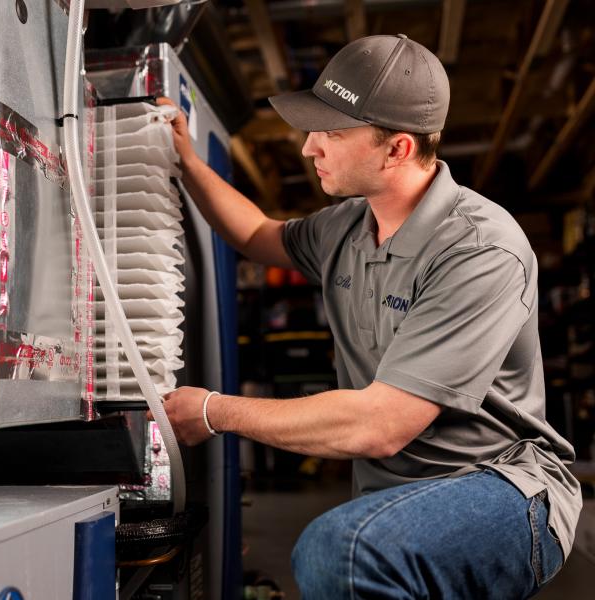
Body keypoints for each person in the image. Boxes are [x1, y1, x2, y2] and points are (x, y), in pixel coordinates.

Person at [157, 33, 582, 599]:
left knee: (345, 551)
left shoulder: (480, 249)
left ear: (397, 149)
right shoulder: (347, 227)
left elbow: (380, 425)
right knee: (353, 545)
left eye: (331, 132)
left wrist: (213, 412)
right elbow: (258, 235)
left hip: (503, 489)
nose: (309, 148)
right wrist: (184, 163)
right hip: (399, 498)